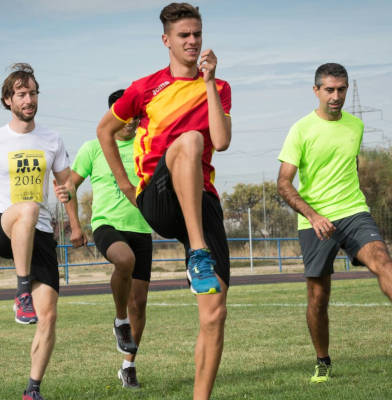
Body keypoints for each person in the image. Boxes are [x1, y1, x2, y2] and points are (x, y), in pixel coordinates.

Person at [96, 4, 231, 399]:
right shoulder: (145, 88)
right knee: (189, 140)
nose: (192, 42)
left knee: (215, 312)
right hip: (158, 197)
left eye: (197, 34)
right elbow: (105, 130)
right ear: (166, 40)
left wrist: (208, 81)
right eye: (184, 35)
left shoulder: (218, 87)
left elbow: (221, 142)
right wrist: (124, 184)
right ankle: (198, 254)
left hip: (201, 199)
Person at [276, 62, 392, 384]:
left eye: (342, 89)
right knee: (318, 298)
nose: (336, 96)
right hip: (315, 221)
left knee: (380, 255)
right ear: (316, 91)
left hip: (352, 209)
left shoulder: (355, 126)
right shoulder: (301, 129)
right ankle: (323, 361)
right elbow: (283, 183)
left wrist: (350, 201)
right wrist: (313, 215)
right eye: (329, 90)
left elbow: (347, 166)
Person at [0, 63, 75, 400]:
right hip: (3, 228)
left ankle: (32, 390)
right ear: (8, 100)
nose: (28, 99)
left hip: (39, 235)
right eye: (21, 94)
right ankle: (21, 291)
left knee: (49, 317)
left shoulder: (52, 139)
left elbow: (65, 182)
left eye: (32, 93)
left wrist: (74, 216)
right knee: (25, 207)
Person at [68, 89, 154, 389]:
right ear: (113, 115)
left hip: (142, 228)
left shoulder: (146, 145)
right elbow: (70, 186)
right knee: (124, 259)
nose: (132, 121)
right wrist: (75, 225)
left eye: (137, 116)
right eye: (126, 115)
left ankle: (128, 366)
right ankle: (120, 320)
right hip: (107, 225)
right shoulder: (93, 148)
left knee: (140, 304)